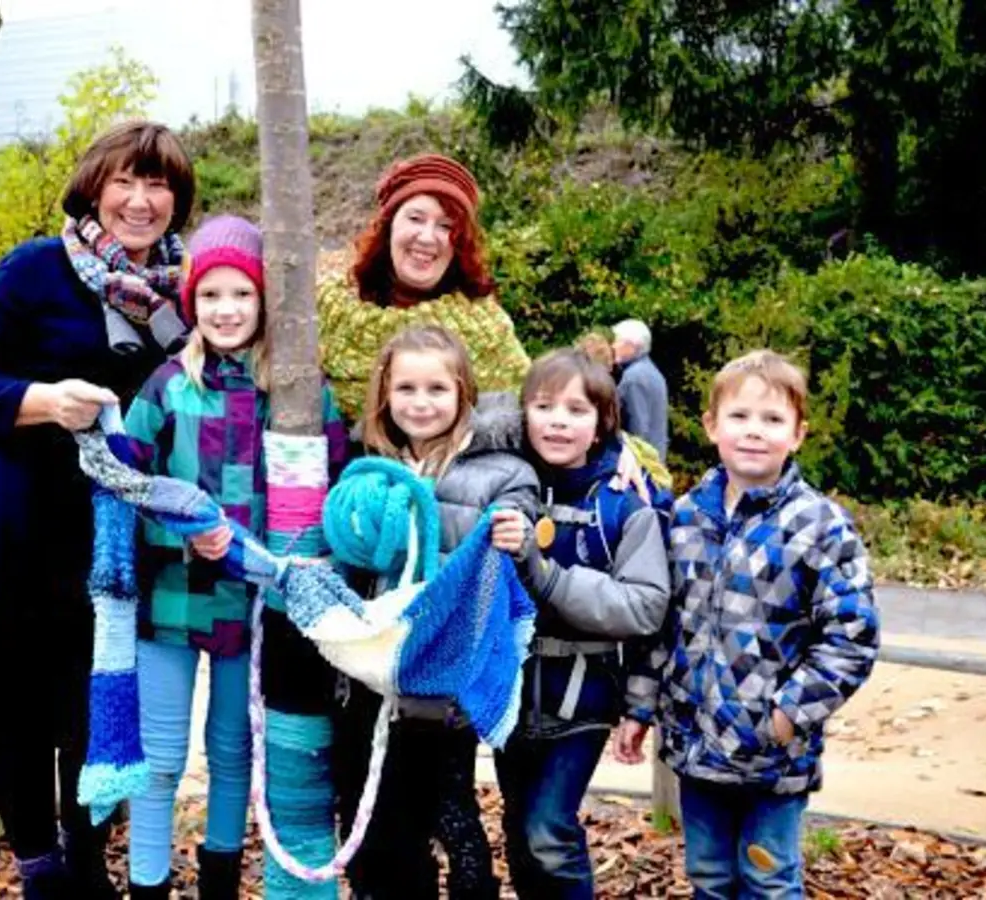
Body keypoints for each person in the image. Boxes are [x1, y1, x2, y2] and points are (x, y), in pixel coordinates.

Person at [0, 120, 197, 900]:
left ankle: (88, 863)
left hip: (120, 533)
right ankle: (41, 873)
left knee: (98, 704)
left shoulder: (188, 291)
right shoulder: (36, 269)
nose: (140, 199)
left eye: (158, 184)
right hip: (17, 519)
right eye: (125, 180)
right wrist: (43, 401)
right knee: (21, 710)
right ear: (94, 186)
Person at [121, 215, 350, 899]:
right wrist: (179, 522)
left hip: (252, 606)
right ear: (193, 302)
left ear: (264, 303)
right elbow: (122, 476)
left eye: (242, 295)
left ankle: (219, 880)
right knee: (160, 761)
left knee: (233, 753)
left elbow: (336, 476)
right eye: (212, 295)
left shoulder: (297, 391)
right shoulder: (166, 386)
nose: (226, 310)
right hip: (168, 597)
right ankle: (149, 884)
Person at [613, 349, 881, 899]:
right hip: (694, 744)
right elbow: (658, 627)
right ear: (712, 426)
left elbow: (852, 636)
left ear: (798, 434)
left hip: (773, 758)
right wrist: (640, 707)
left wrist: (788, 713)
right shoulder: (684, 519)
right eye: (739, 417)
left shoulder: (819, 526)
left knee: (768, 877)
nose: (754, 432)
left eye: (772, 420)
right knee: (709, 876)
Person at [331, 324, 539, 900]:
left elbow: (523, 528)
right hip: (371, 678)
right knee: (375, 821)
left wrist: (518, 533)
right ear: (384, 395)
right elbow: (345, 546)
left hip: (445, 685)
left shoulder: (500, 470)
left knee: (451, 814)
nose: (420, 403)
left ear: (463, 393)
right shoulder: (369, 466)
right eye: (406, 389)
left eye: (436, 390)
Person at [497, 348, 671, 899]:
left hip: (587, 696)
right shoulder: (508, 481)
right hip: (511, 694)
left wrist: (640, 703)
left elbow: (647, 609)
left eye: (576, 410)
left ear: (601, 426)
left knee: (549, 829)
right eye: (543, 406)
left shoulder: (626, 502)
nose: (558, 420)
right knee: (520, 832)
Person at [316, 153, 530, 422]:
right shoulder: (325, 309)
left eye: (446, 226)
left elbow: (518, 423)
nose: (427, 238)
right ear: (388, 226)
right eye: (415, 219)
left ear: (459, 243)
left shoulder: (487, 331)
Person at [608, 319, 669, 461]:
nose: (613, 346)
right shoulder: (651, 371)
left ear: (632, 346)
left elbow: (638, 430)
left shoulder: (634, 378)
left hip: (642, 466)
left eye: (617, 341)